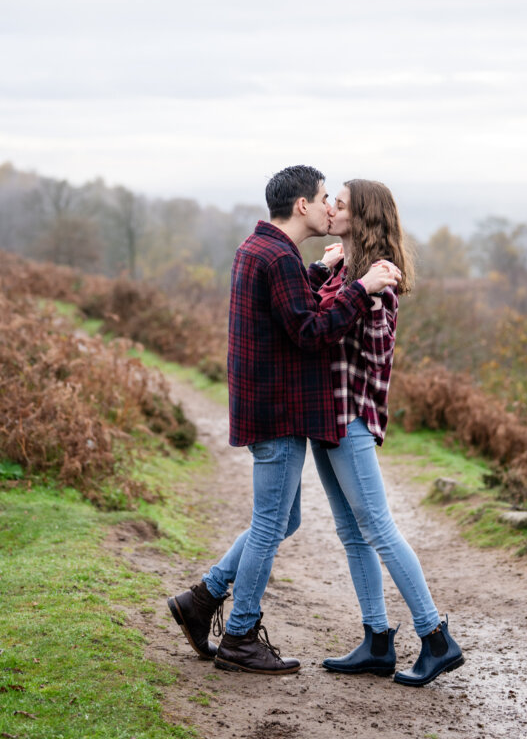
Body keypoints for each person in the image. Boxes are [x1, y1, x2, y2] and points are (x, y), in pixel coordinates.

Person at [167, 165, 401, 675]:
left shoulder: (265, 250)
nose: (329, 208)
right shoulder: (276, 257)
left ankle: (203, 599)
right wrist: (360, 287)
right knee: (273, 521)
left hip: (268, 409)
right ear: (302, 206)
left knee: (282, 519)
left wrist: (322, 273)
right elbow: (312, 331)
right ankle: (240, 636)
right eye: (323, 199)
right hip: (277, 414)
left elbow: (289, 305)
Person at [308, 179, 464, 687]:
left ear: (364, 218)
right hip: (326, 420)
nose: (330, 206)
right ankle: (377, 640)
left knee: (378, 528)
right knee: (352, 532)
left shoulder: (379, 285)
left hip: (348, 419)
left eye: (340, 203)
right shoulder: (350, 274)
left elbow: (363, 354)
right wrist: (329, 272)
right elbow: (310, 320)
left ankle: (435, 636)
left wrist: (360, 291)